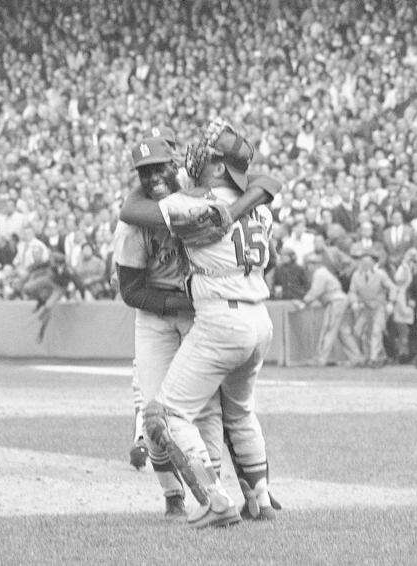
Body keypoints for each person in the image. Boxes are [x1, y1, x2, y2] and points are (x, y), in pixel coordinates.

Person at [128, 120, 282, 528]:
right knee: (241, 413)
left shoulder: (192, 202)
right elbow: (268, 181)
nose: (196, 158)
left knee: (167, 413)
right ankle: (260, 500)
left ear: (218, 167)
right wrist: (236, 204)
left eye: (207, 156)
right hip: (259, 317)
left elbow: (131, 210)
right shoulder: (260, 204)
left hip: (220, 317)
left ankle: (216, 498)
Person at [114, 135, 221, 518]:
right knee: (154, 412)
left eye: (160, 167)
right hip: (158, 316)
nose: (153, 176)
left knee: (207, 408)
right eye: (145, 172)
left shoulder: (196, 203)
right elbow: (130, 290)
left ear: (175, 166)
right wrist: (179, 302)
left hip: (198, 314)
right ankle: (173, 496)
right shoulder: (133, 223)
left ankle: (216, 492)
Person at [295, 253, 364, 367]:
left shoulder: (320, 273)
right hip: (339, 300)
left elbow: (316, 291)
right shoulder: (323, 272)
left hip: (335, 302)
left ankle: (320, 359)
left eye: (308, 264)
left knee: (328, 329)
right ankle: (356, 357)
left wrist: (304, 301)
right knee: (343, 332)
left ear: (313, 264)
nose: (307, 267)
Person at [348, 247, 397, 368]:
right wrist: (354, 302)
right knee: (359, 332)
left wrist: (391, 302)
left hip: (378, 307)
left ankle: (374, 358)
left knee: (376, 331)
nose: (365, 264)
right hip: (364, 308)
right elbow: (352, 291)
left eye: (368, 262)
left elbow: (392, 288)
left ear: (373, 263)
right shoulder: (356, 275)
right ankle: (369, 356)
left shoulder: (380, 274)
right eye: (362, 261)